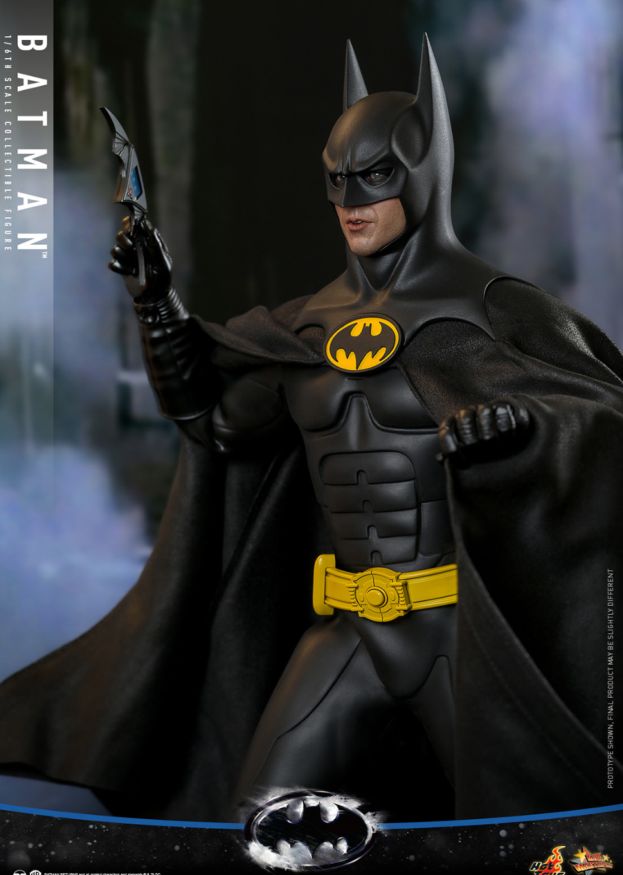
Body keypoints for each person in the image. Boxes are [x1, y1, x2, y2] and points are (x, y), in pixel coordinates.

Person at [0, 37, 621, 822]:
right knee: (258, 825)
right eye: (336, 180)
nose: (351, 200)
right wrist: (157, 306)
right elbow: (215, 423)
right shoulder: (307, 325)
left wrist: (520, 436)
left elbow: (601, 420)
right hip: (344, 629)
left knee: (527, 830)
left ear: (424, 173)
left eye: (375, 176)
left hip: (457, 634)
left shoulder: (493, 308)